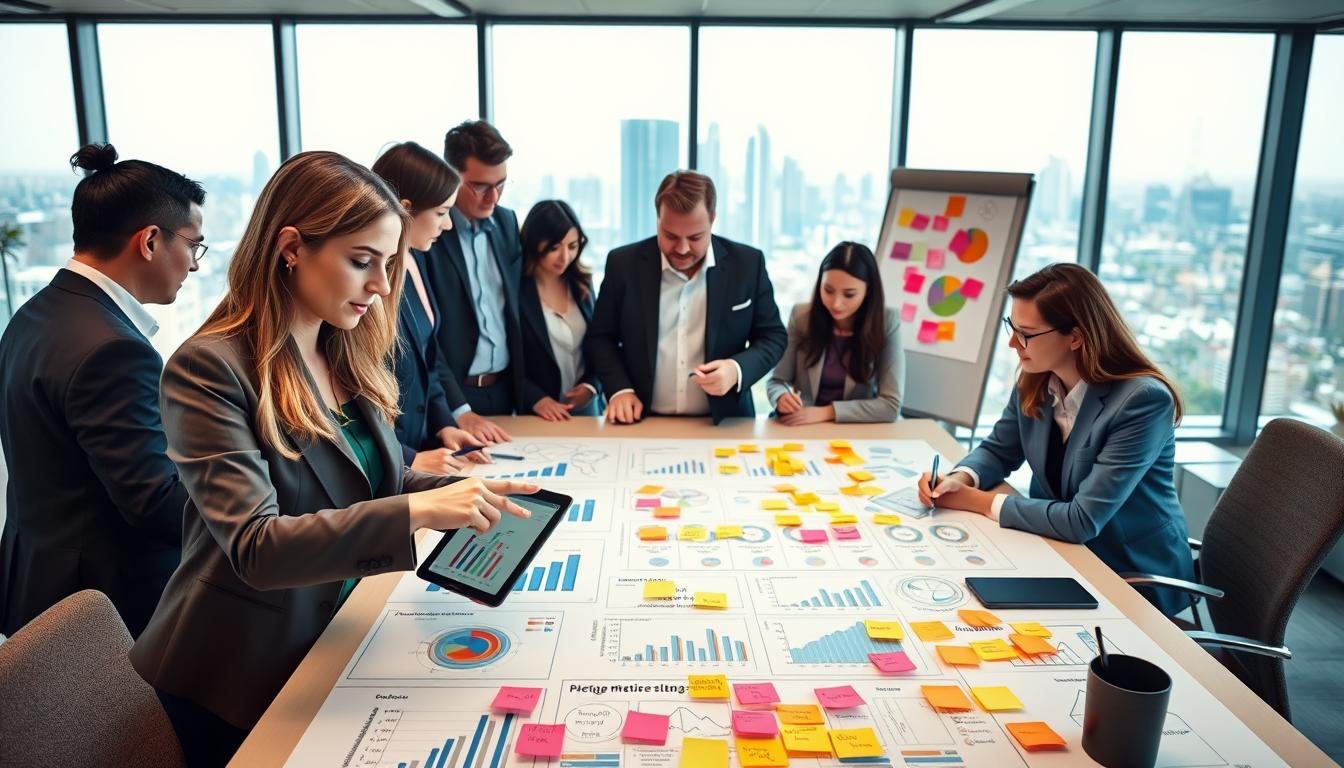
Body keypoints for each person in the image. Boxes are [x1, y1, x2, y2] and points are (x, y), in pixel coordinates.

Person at [129, 151, 536, 767]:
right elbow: (256, 545)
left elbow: (363, 478)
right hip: (240, 670)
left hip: (330, 631)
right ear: (292, 246)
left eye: (390, 264)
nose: (381, 286)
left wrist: (460, 496)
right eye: (362, 262)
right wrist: (418, 508)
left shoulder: (339, 342)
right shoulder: (209, 368)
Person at [0, 143, 203, 638]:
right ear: (150, 241)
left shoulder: (35, 314)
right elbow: (154, 504)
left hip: (37, 578)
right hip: (103, 605)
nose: (195, 264)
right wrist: (256, 504)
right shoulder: (112, 349)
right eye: (193, 245)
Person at [918, 262, 1195, 616]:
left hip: (1129, 575)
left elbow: (1082, 520)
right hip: (1057, 553)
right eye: (1012, 327)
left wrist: (976, 501)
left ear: (1076, 337)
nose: (1013, 343)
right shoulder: (1036, 376)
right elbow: (999, 450)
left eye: (1026, 334)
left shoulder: (1142, 401)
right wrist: (958, 479)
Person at [586, 171, 786, 425]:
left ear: (712, 220)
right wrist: (620, 389)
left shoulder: (747, 264)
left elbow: (774, 337)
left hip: (725, 423)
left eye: (695, 237)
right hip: (641, 420)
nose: (681, 249)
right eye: (670, 236)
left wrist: (736, 370)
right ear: (658, 220)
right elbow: (600, 338)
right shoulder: (623, 264)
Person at [370, 141, 488, 473]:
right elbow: (356, 396)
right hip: (390, 461)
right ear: (404, 209)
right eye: (440, 213)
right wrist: (409, 458)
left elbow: (427, 361)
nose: (448, 225)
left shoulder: (416, 261)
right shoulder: (371, 284)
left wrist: (445, 425)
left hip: (421, 447)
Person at [422, 120, 524, 443]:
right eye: (479, 186)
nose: (492, 198)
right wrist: (459, 409)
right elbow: (428, 337)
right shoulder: (431, 235)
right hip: (455, 398)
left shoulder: (507, 222)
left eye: (501, 184)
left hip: (508, 391)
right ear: (451, 177)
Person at [766, 242, 904, 424]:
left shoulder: (887, 322)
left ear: (868, 291)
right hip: (803, 429)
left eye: (849, 294)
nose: (836, 303)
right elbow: (776, 381)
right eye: (828, 290)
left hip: (857, 430)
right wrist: (781, 397)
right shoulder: (801, 317)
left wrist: (827, 412)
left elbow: (891, 405)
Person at [517, 200, 602, 420]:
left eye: (572, 246)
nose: (565, 257)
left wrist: (591, 387)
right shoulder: (516, 290)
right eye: (554, 248)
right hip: (539, 413)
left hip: (586, 409)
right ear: (535, 243)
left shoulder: (583, 285)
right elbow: (509, 358)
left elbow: (602, 343)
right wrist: (535, 398)